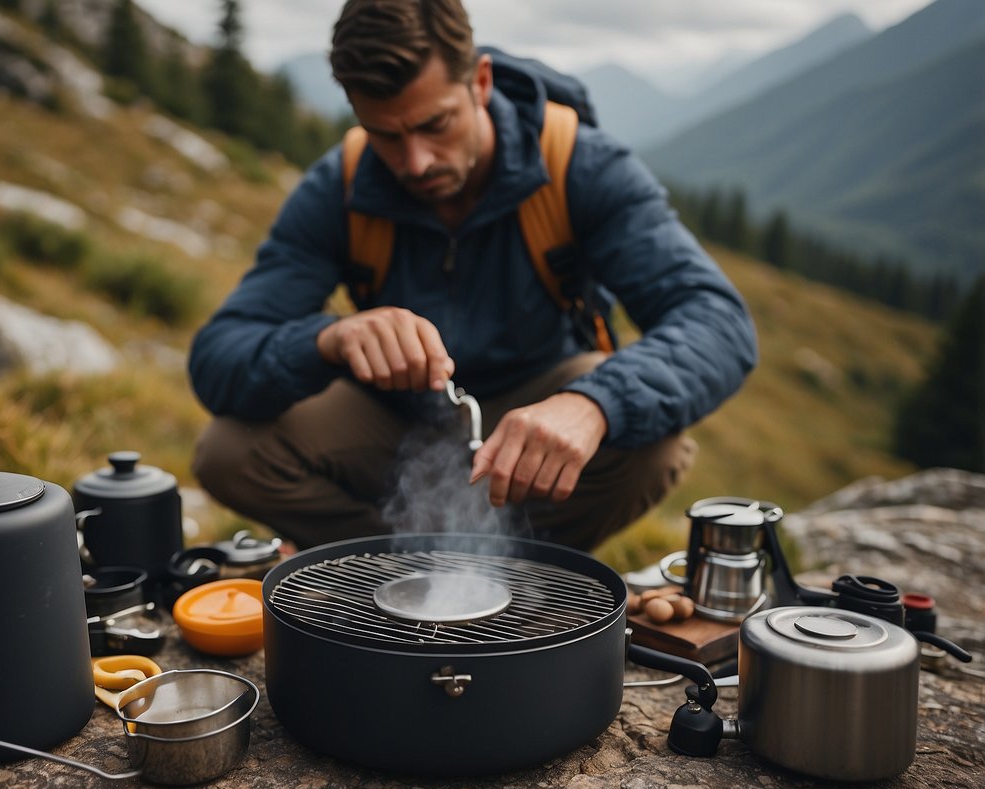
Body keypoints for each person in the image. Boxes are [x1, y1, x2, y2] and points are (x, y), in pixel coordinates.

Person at [187, 0, 757, 553]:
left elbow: (718, 321)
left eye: (436, 124)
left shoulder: (581, 166)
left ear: (480, 82)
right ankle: (403, 568)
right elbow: (219, 357)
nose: (416, 162)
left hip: (538, 413)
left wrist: (593, 404)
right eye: (386, 134)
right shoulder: (339, 186)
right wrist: (327, 340)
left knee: (648, 442)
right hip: (395, 421)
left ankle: (521, 575)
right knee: (230, 452)